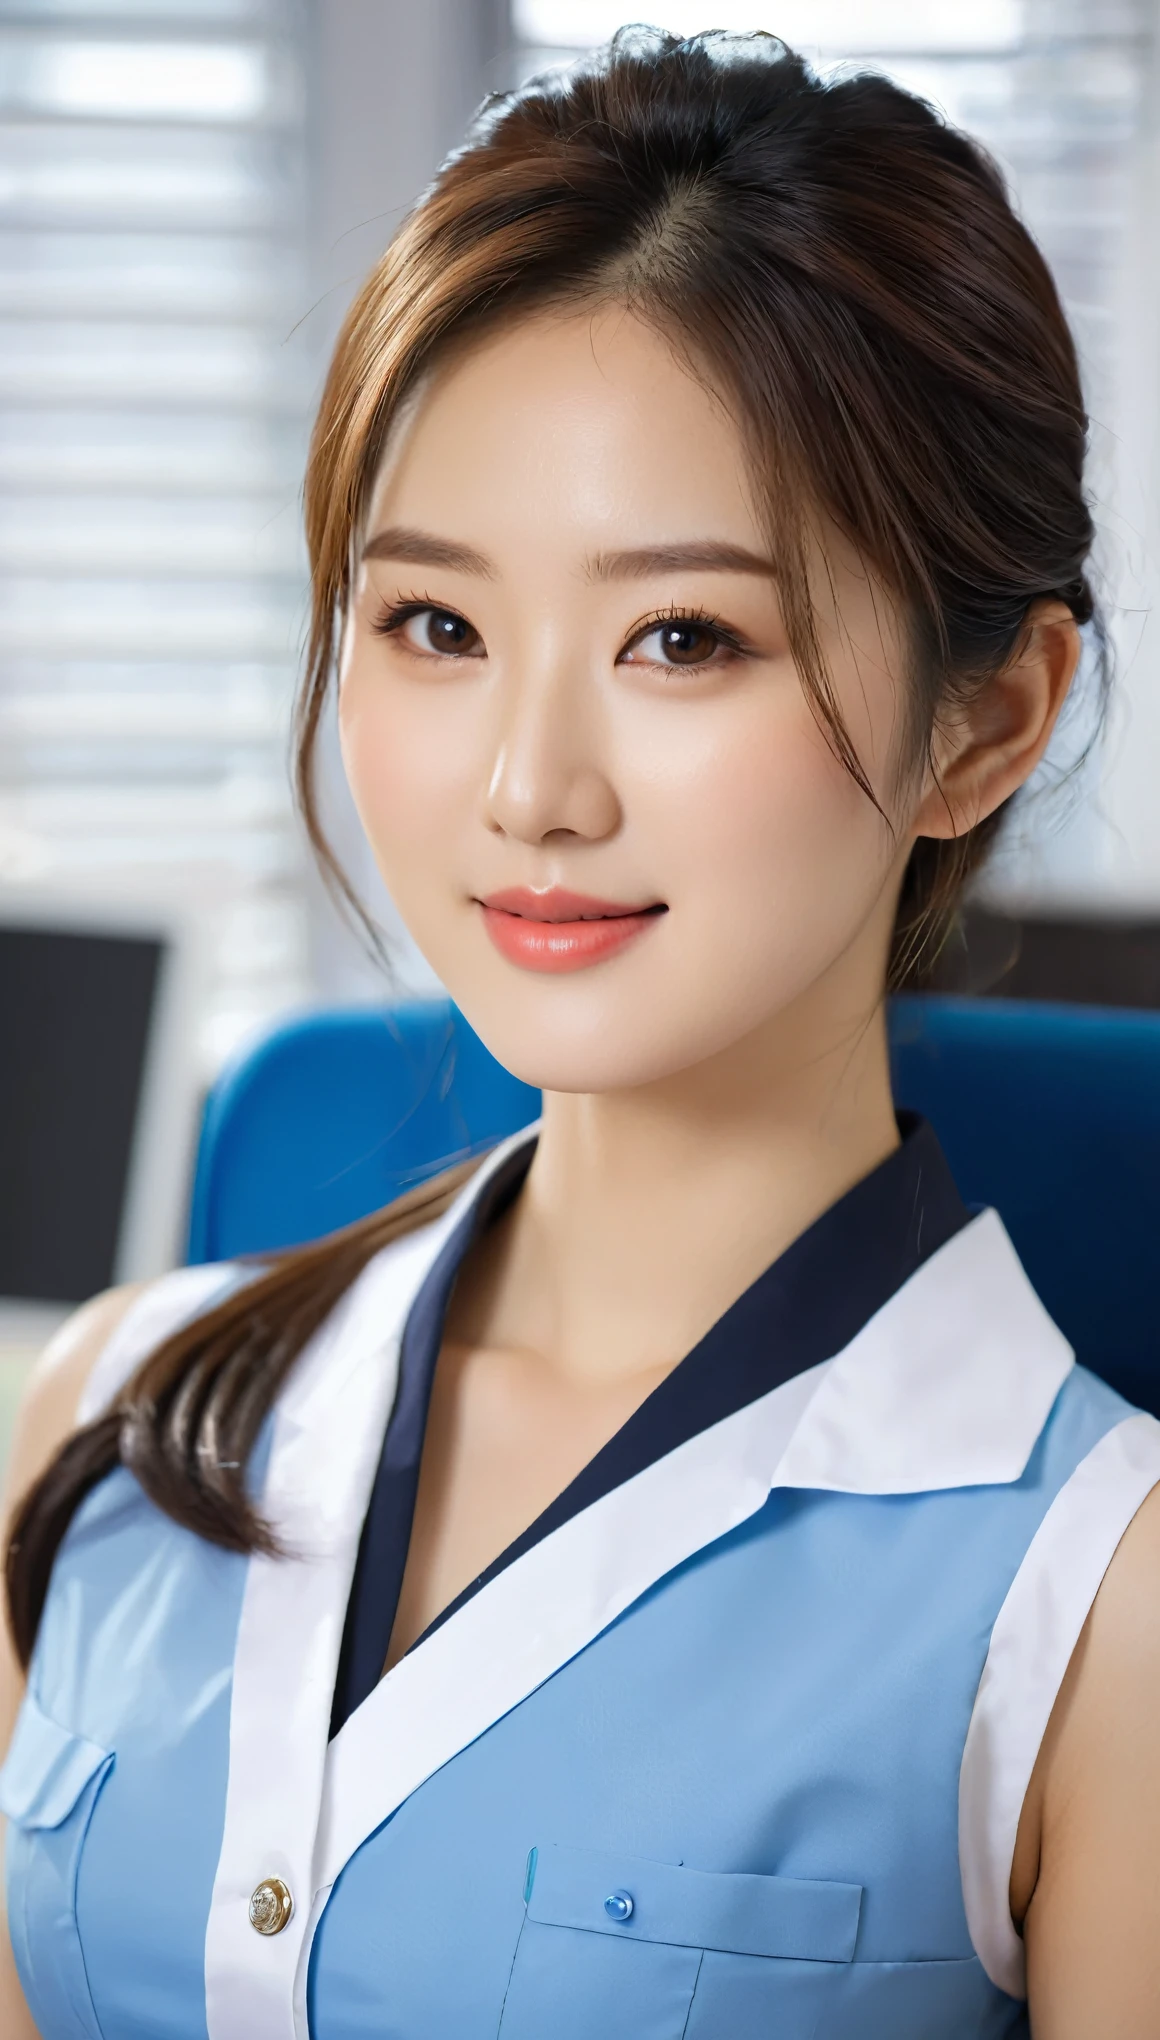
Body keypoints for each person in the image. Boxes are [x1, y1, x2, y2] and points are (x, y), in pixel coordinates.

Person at [2, 28, 1158, 2040]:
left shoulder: (1098, 1612)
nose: (530, 785)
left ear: (983, 720)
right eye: (434, 627)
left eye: (683, 638)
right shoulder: (108, 1421)